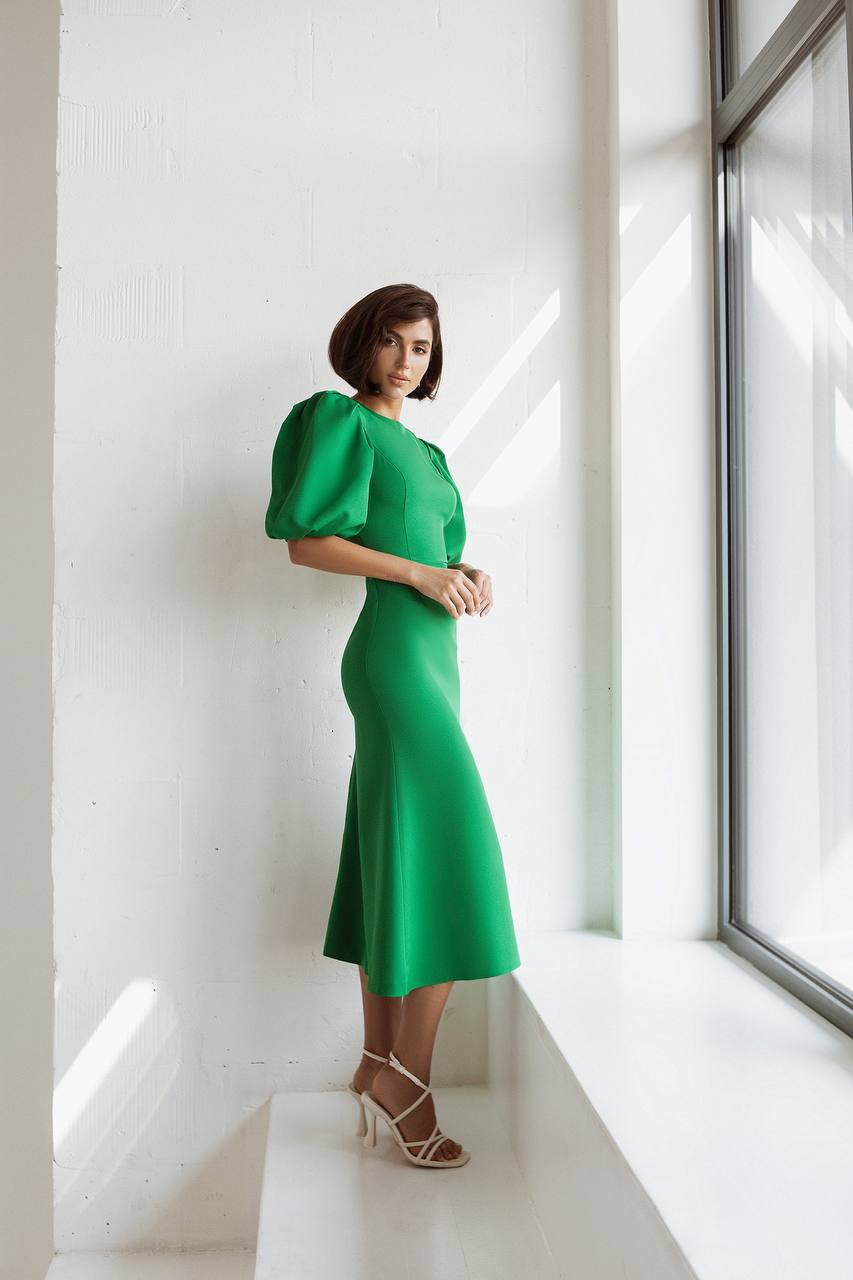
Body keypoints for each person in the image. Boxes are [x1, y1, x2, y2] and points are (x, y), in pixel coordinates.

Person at [264, 283, 520, 1167]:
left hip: (433, 664)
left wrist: (463, 570)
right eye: (392, 342)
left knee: (397, 856)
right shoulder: (340, 421)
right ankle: (408, 1080)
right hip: (391, 662)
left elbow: (432, 552)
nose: (407, 361)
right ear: (362, 345)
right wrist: (416, 574)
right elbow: (306, 542)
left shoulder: (428, 452)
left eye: (421, 347)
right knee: (450, 856)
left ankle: (378, 1065)